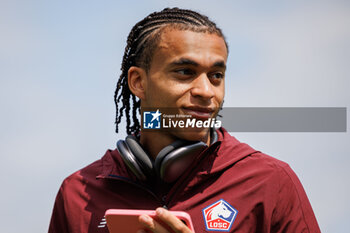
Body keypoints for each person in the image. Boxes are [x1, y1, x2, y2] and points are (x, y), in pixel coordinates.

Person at [48, 8, 321, 233]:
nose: (206, 91)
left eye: (216, 76)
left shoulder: (270, 181)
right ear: (138, 82)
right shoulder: (77, 192)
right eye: (185, 72)